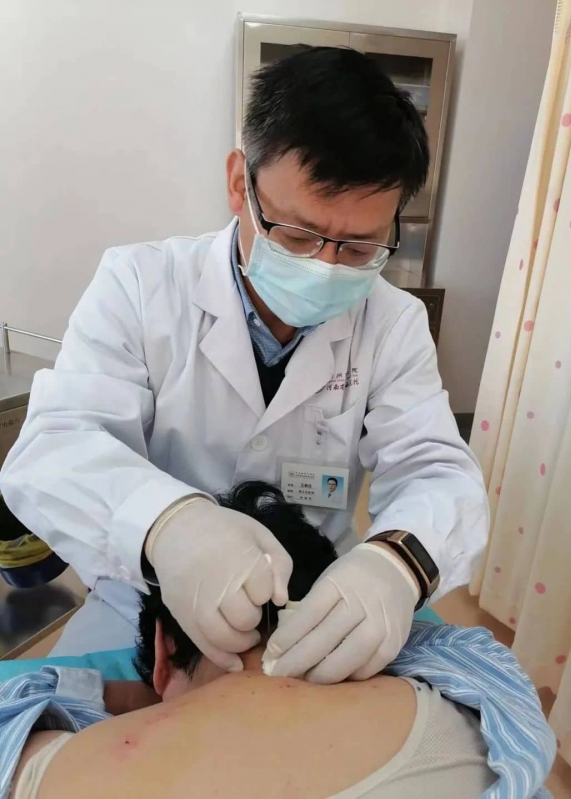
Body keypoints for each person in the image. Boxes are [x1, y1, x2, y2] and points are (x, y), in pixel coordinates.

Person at [0, 46, 489, 680]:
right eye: (299, 235)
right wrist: (168, 526)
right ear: (240, 184)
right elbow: (53, 448)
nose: (325, 266)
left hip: (319, 595)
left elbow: (437, 470)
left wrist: (397, 564)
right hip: (149, 596)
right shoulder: (140, 285)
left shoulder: (392, 322)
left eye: (358, 247)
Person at [1, 484, 554, 799]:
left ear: (164, 648)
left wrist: (106, 696)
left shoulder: (41, 761)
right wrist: (402, 558)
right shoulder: (462, 697)